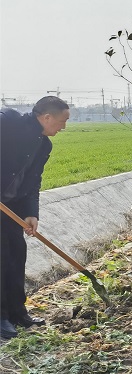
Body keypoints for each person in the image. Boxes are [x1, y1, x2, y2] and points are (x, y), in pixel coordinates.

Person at [0, 96, 70, 339]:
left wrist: (31, 212)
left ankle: (18, 313)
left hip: (10, 207)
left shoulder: (43, 145)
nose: (63, 127)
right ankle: (1, 318)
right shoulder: (7, 122)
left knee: (17, 255)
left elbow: (33, 182)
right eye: (62, 121)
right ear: (47, 117)